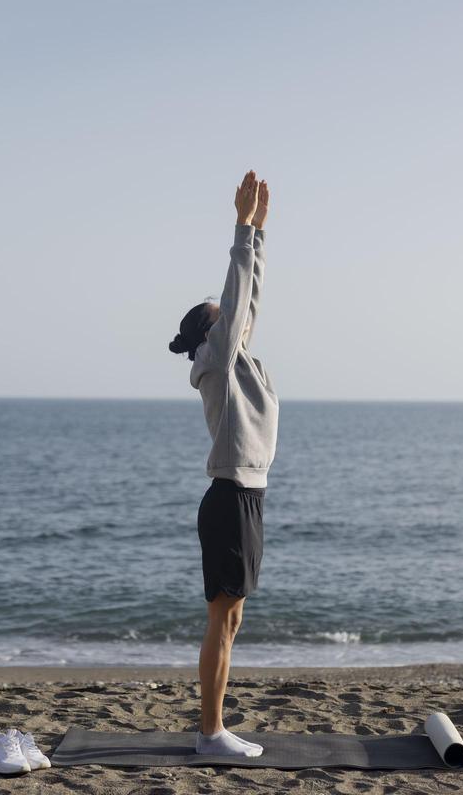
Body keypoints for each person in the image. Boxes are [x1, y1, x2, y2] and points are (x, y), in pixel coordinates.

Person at [167, 169, 279, 758]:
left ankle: (214, 729)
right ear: (211, 333)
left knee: (231, 622)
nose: (236, 318)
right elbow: (237, 303)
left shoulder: (235, 361)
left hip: (246, 498)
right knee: (221, 621)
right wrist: (239, 229)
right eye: (224, 314)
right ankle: (210, 734)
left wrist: (259, 234)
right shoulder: (214, 361)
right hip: (230, 497)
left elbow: (247, 301)